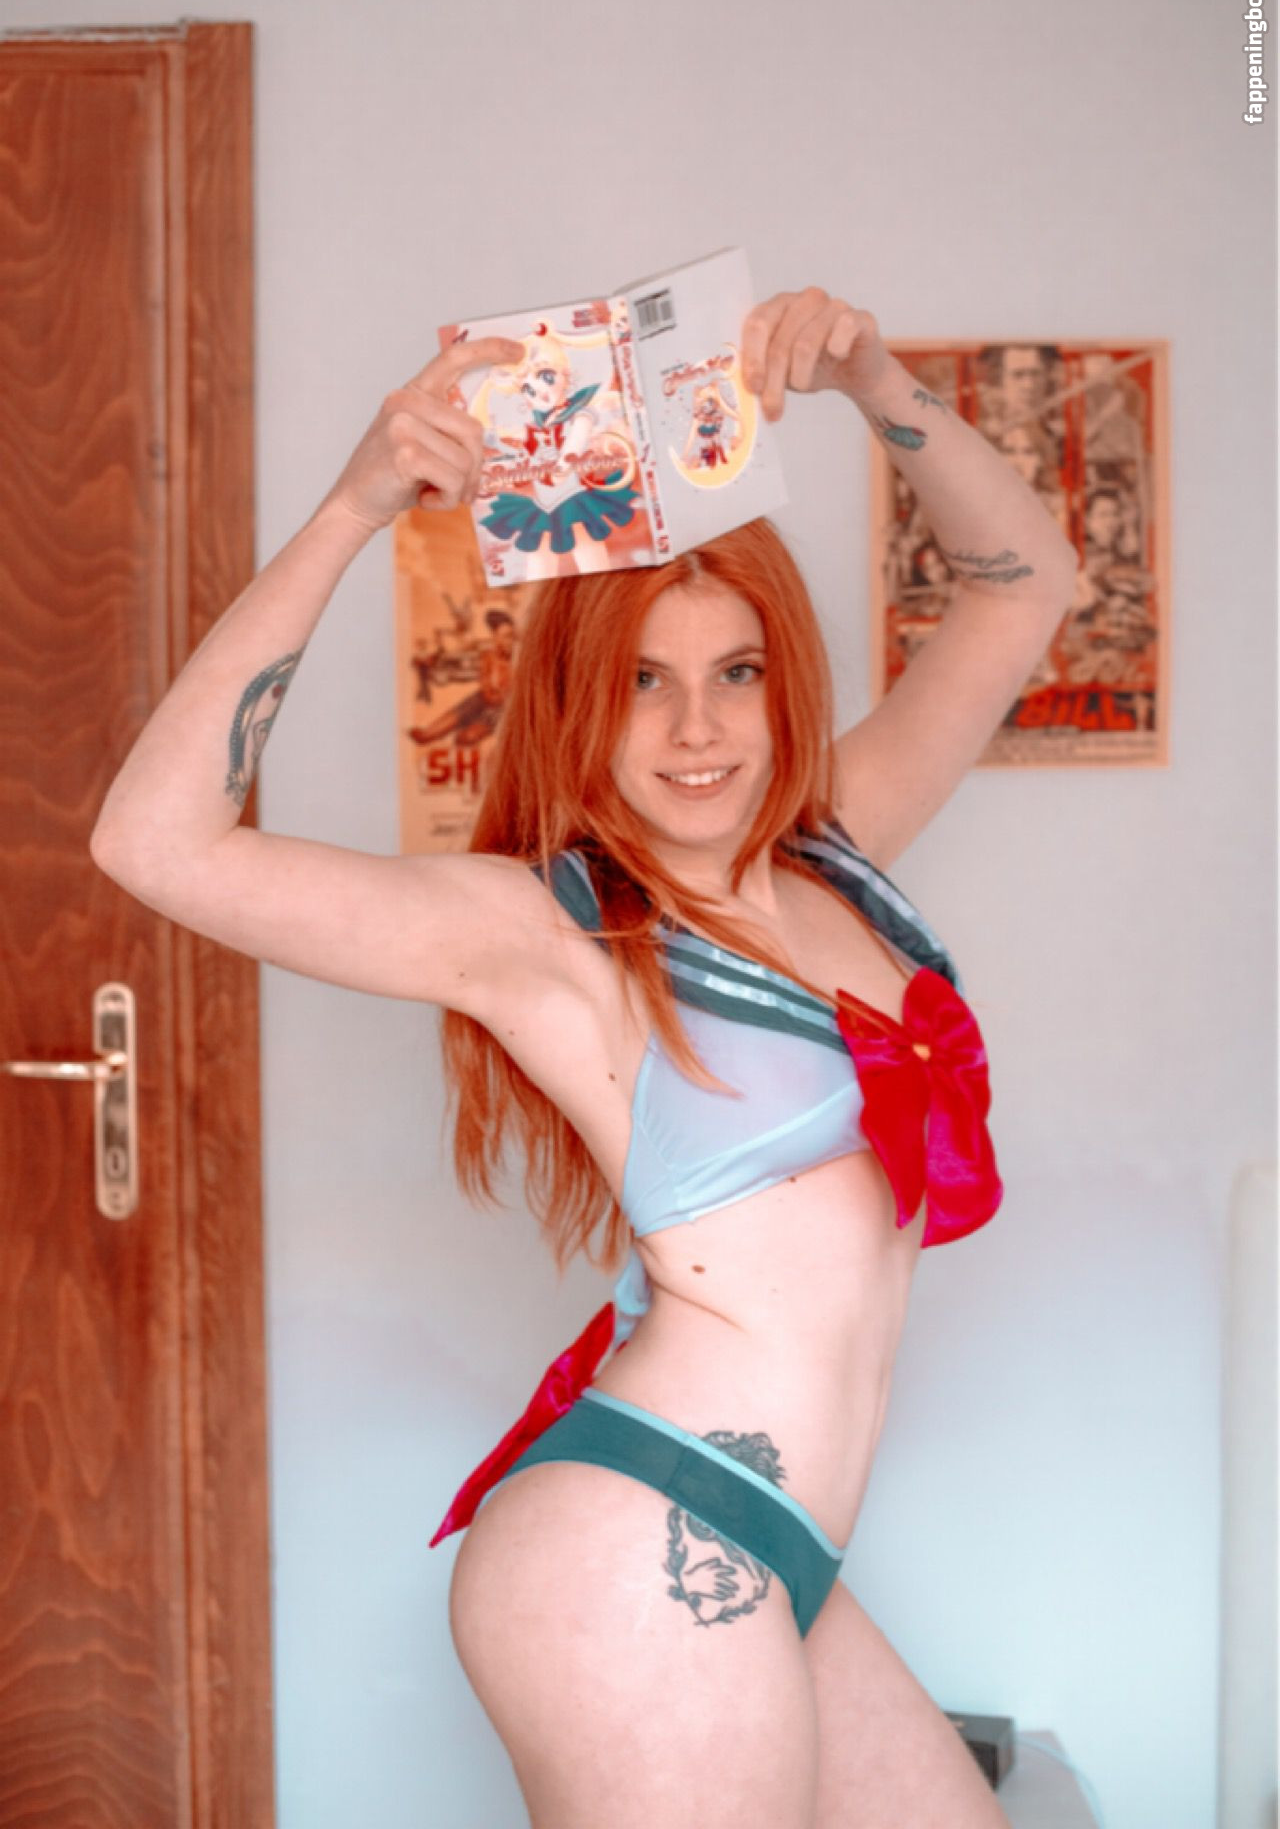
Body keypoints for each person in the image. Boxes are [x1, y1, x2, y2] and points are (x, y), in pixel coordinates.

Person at [89, 286, 1078, 1828]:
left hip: (777, 1545)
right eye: (641, 681)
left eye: (736, 672)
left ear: (784, 682)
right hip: (637, 1538)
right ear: (578, 704)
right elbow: (156, 843)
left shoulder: (834, 852)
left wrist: (874, 377)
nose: (697, 731)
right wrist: (355, 508)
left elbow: (1027, 588)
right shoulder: (553, 937)